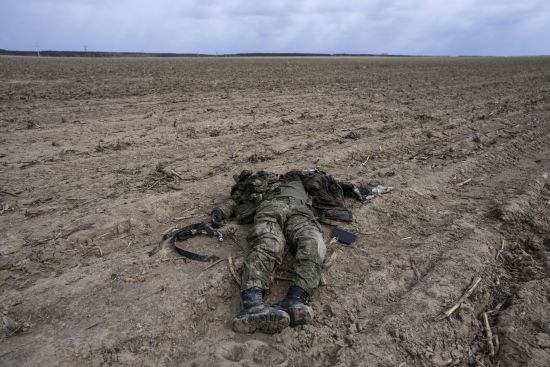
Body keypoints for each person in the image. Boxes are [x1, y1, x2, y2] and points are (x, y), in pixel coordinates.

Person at [211, 169, 369, 334]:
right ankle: (252, 304)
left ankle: (296, 299)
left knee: (312, 242)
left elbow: (333, 185)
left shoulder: (302, 181)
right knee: (268, 244)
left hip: (300, 211)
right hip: (270, 209)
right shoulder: (260, 183)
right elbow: (236, 199)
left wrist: (356, 189)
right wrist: (220, 211)